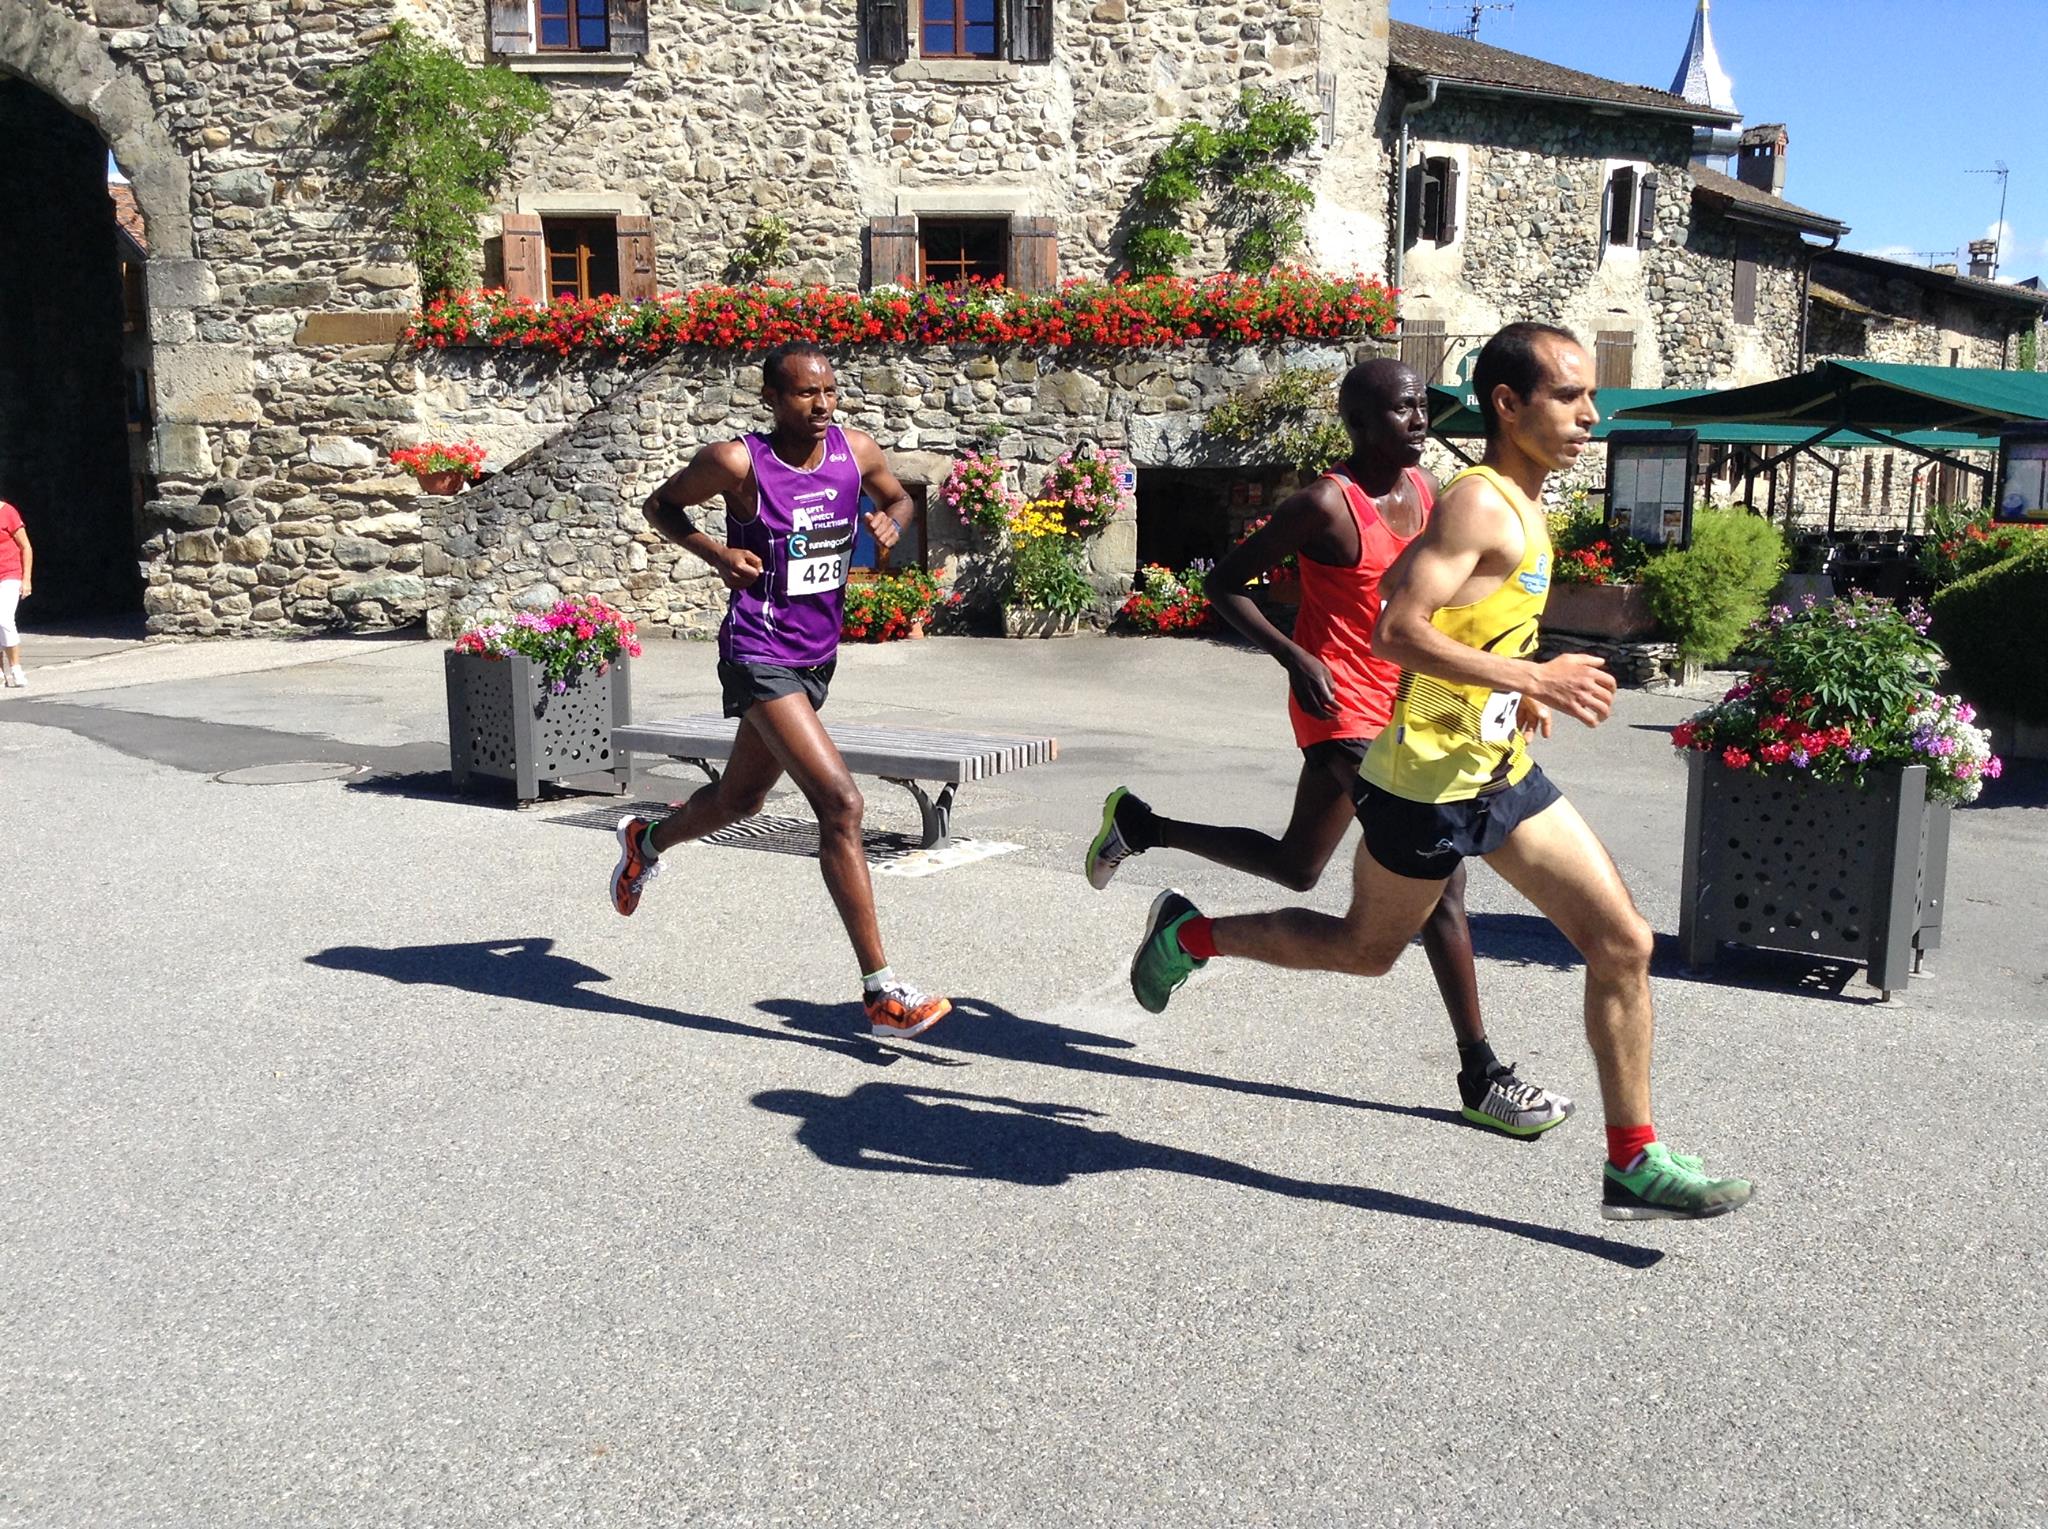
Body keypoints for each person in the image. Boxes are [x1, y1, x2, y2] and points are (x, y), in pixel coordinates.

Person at [1126, 323, 1754, 1221]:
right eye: (1569, 396)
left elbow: (1438, 611)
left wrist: (1513, 681)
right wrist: (1531, 675)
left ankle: (1632, 1161)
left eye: (1591, 396)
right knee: (1362, 951)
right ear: (1508, 404)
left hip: (1499, 770)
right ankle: (1188, 938)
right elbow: (1393, 629)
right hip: (1421, 786)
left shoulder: (1524, 503)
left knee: (1623, 942)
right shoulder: (1480, 502)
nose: (1591, 413)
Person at [1084, 359, 1571, 1138]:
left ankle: (1144, 830)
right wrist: (1292, 654)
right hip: (1339, 706)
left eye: (1425, 409)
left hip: (1418, 707)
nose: (1422, 422)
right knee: (1440, 886)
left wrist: (1501, 694)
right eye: (1405, 410)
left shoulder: (1431, 493)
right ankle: (1482, 1073)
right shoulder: (1323, 503)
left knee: (1297, 866)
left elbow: (1453, 611)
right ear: (1360, 422)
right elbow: (1227, 585)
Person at [607, 342, 953, 1040]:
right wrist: (716, 553)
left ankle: (647, 840)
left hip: (815, 656)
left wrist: (894, 521)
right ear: (771, 398)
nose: (822, 405)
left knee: (741, 798)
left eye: (829, 392)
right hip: (756, 651)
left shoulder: (854, 451)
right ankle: (882, 991)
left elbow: (897, 497)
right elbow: (660, 506)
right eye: (804, 394)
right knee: (841, 803)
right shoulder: (736, 463)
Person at [0, 497, 30, 689]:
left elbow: (26, 546)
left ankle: (16, 668)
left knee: (4, 619)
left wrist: (26, 579)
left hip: (9, 573)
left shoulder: (7, 512)